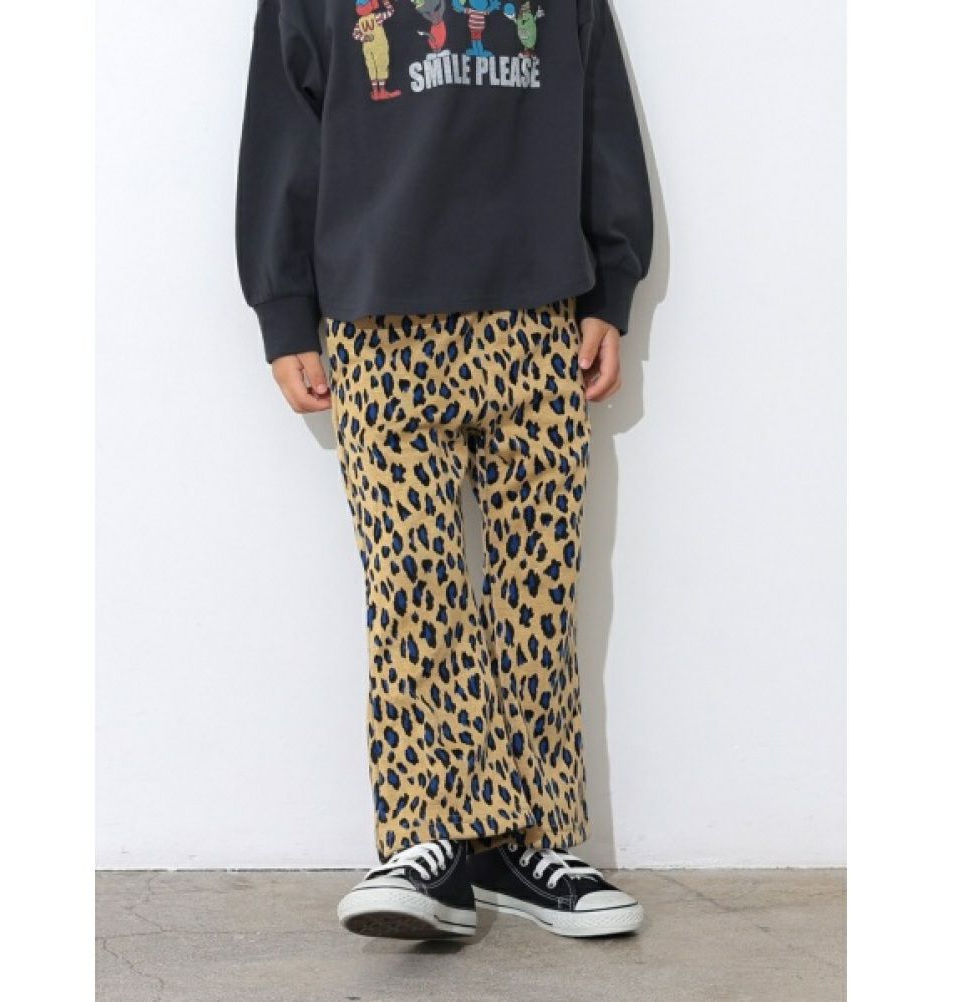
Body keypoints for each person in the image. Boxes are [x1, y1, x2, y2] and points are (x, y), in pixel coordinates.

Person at [236, 0, 653, 940]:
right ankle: (431, 840)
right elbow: (282, 130)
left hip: (538, 312)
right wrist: (284, 310)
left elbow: (601, 112)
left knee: (539, 584)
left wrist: (611, 286)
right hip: (378, 319)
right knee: (413, 582)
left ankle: (529, 841)